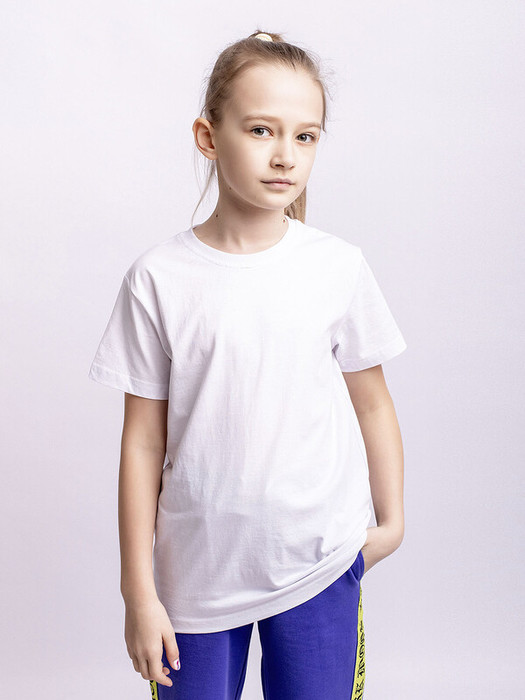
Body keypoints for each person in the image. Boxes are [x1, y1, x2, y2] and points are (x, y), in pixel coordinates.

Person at [88, 29, 407, 700]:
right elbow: (142, 442)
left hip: (317, 563)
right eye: (262, 130)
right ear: (209, 136)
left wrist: (391, 521)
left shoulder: (336, 266)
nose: (284, 155)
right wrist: (138, 593)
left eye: (305, 136)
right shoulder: (158, 278)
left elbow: (373, 401)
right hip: (194, 579)